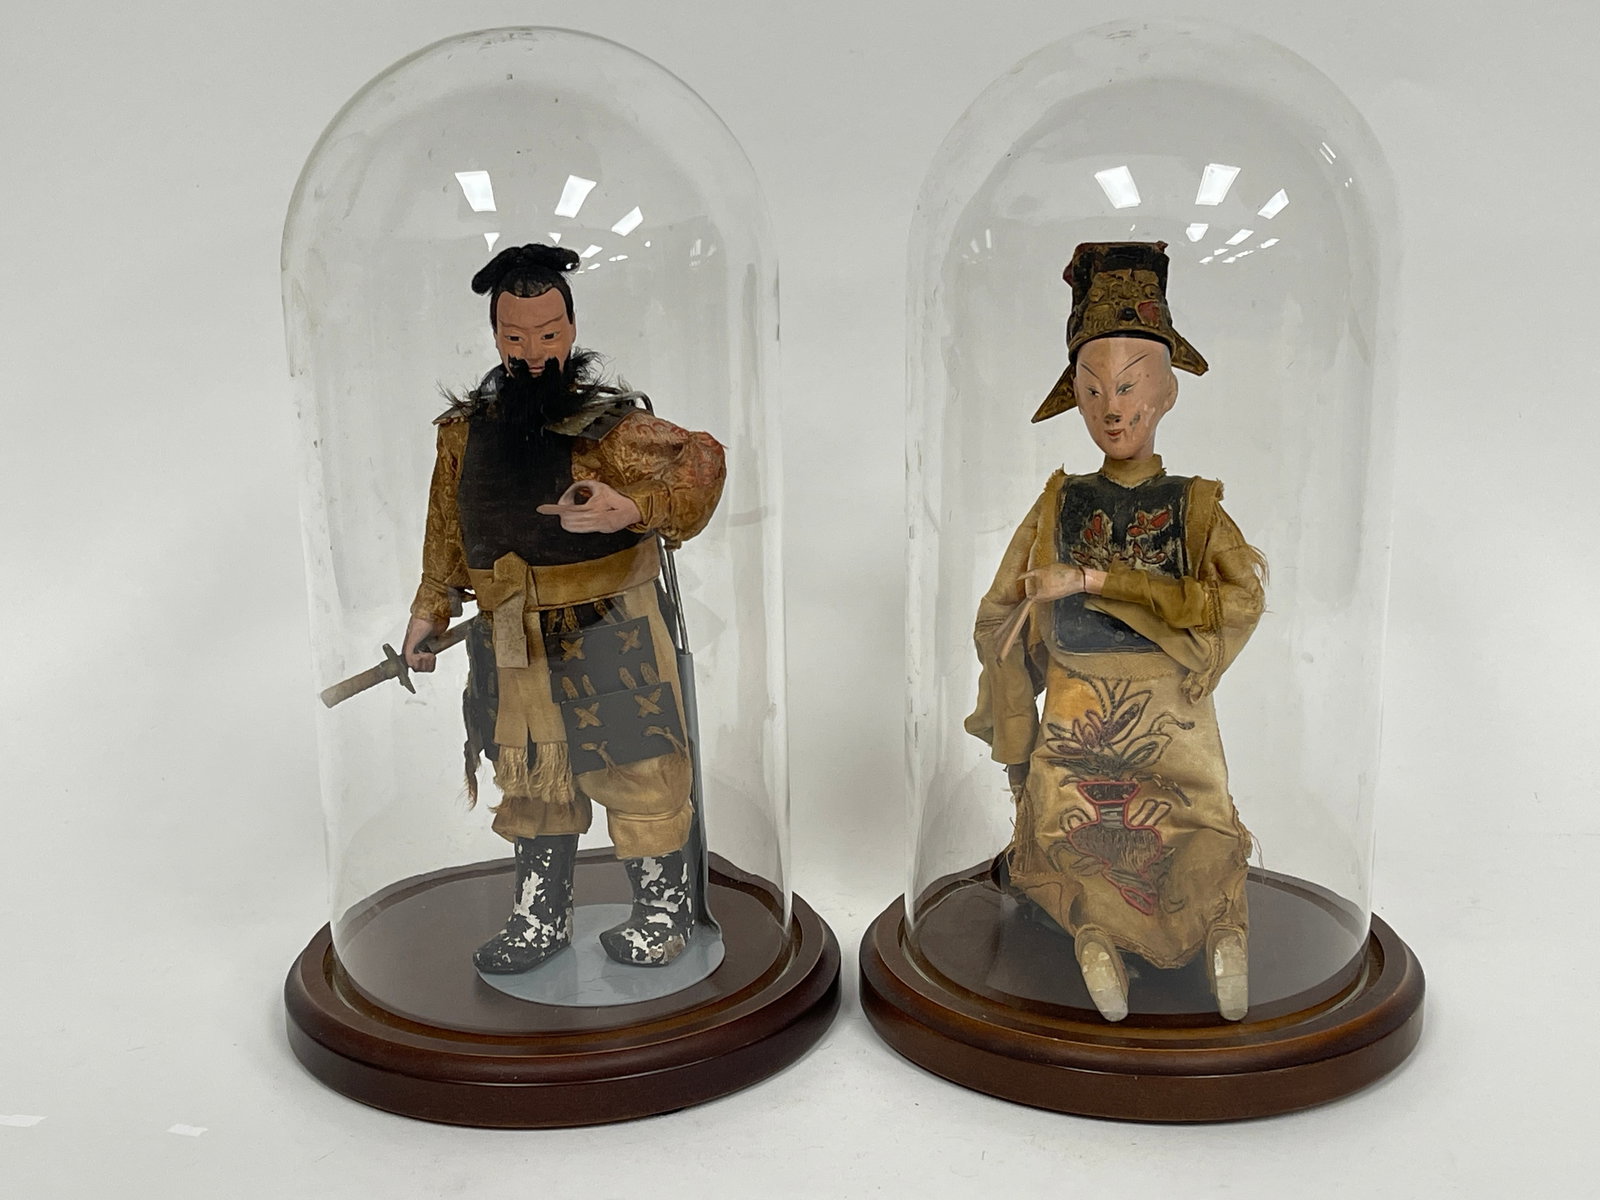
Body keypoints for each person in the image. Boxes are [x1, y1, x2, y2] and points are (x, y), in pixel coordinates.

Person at [965, 242, 1266, 1022]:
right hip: (1078, 711)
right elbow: (1000, 614)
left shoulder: (1194, 507)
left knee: (1193, 823)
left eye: (1129, 387)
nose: (1112, 409)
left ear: (1165, 393)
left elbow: (1239, 598)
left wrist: (1098, 582)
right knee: (1074, 832)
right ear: (1074, 396)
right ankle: (1108, 936)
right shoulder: (1058, 502)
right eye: (1094, 390)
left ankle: (1215, 929)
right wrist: (1014, 709)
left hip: (1170, 715)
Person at [404, 244, 725, 974]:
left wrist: (630, 507)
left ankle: (662, 911)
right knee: (531, 777)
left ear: (571, 330)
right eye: (515, 336)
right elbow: (447, 526)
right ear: (495, 336)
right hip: (510, 634)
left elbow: (703, 460)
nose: (532, 352)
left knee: (639, 767)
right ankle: (539, 917)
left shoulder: (611, 429)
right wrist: (430, 610)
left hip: (612, 629)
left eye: (548, 334)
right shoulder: (464, 432)